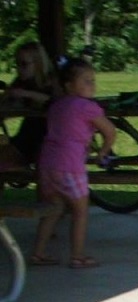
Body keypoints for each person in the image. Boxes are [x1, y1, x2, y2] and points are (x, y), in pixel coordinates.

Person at [30, 58, 115, 269]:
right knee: (80, 211)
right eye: (86, 81)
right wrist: (103, 152)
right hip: (70, 166)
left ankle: (38, 253)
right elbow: (110, 132)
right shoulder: (88, 107)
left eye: (92, 80)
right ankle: (77, 256)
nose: (91, 85)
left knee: (54, 208)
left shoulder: (57, 106)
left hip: (48, 164)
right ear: (69, 85)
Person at [0, 41, 58, 170]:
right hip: (25, 140)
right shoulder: (21, 83)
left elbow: (55, 103)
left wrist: (26, 94)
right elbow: (6, 106)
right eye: (17, 64)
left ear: (38, 64)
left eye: (24, 64)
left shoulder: (51, 83)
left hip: (49, 142)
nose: (19, 69)